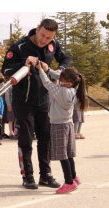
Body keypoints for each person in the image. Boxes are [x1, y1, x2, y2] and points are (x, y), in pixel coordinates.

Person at [1, 18, 70, 189]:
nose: (44, 40)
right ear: (37, 29)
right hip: (23, 100)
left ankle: (45, 175)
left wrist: (58, 72)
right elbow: (6, 71)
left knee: (45, 137)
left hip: (44, 99)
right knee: (26, 138)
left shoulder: (53, 45)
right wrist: (23, 63)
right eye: (43, 35)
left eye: (48, 38)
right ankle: (28, 176)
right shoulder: (19, 47)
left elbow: (66, 59)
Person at [36, 61, 86, 194]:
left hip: (58, 126)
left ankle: (69, 182)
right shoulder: (74, 88)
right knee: (69, 154)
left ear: (68, 81)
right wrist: (49, 69)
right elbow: (60, 78)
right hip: (68, 125)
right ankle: (74, 177)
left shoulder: (61, 91)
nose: (59, 79)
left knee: (62, 154)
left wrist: (41, 70)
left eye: (62, 78)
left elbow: (47, 83)